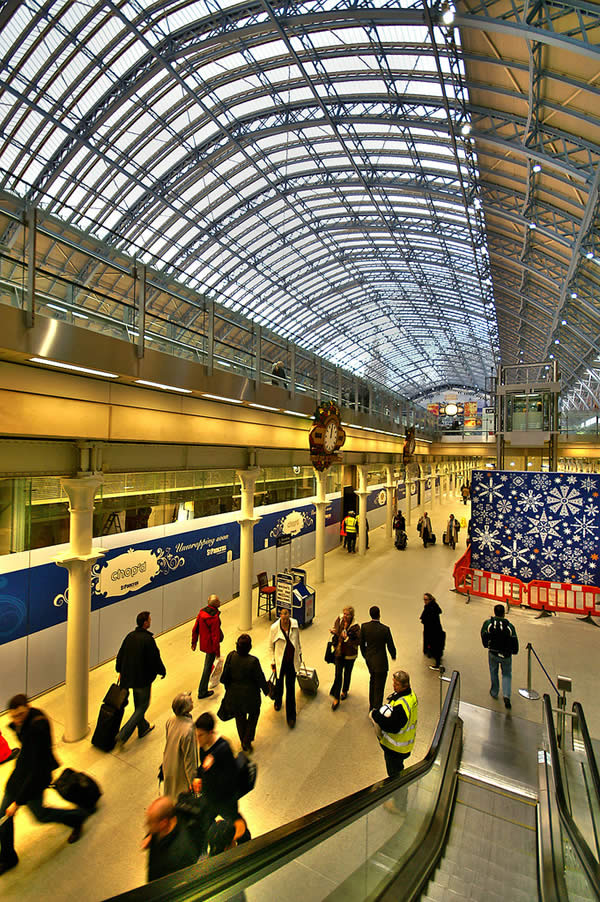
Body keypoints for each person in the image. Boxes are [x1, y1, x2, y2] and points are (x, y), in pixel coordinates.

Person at [0, 694, 90, 874]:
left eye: (19, 715)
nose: (16, 720)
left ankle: (77, 817)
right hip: (20, 776)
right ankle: (9, 857)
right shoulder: (26, 722)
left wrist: (18, 802)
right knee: (3, 817)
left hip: (34, 780)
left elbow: (36, 770)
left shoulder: (37, 728)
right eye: (13, 716)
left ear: (28, 708)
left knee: (40, 815)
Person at [370, 671, 418, 814]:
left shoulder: (402, 706)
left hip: (396, 748)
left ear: (405, 685)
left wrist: (376, 715)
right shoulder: (410, 696)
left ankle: (400, 806)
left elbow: (392, 726)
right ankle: (399, 800)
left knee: (395, 776)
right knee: (397, 772)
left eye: (396, 684)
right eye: (394, 682)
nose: (393, 686)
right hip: (404, 745)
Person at [115, 610, 166, 746]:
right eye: (149, 620)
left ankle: (143, 728)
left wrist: (119, 669)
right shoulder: (148, 639)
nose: (150, 621)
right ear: (145, 623)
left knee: (138, 704)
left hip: (129, 677)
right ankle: (123, 734)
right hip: (142, 679)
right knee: (143, 706)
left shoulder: (129, 636)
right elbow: (155, 658)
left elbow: (120, 655)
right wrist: (162, 671)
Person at [220, 633, 268, 752]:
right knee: (254, 715)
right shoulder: (253, 661)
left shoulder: (231, 656)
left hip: (234, 696)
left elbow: (225, 675)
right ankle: (247, 740)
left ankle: (244, 741)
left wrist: (228, 689)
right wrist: (267, 691)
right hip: (251, 697)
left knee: (240, 718)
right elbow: (260, 678)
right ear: (249, 647)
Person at [194, 712, 239, 822]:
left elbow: (230, 777)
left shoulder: (223, 748)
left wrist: (208, 771)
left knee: (235, 824)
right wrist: (198, 776)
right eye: (196, 735)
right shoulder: (203, 746)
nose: (197, 739)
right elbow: (203, 766)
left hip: (225, 799)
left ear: (210, 733)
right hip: (210, 797)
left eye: (200, 735)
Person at [143, 796, 197, 882]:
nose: (147, 825)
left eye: (150, 822)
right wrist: (149, 835)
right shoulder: (164, 825)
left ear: (163, 823)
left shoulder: (180, 854)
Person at [268, 606, 302, 728]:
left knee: (291, 689)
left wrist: (299, 654)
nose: (285, 619)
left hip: (291, 663)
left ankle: (291, 717)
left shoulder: (295, 625)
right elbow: (270, 647)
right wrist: (272, 662)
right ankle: (278, 701)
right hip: (279, 663)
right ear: (280, 616)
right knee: (279, 684)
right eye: (283, 616)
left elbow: (297, 641)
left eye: (287, 616)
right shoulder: (274, 629)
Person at [481, 604, 519, 709]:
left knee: (493, 671)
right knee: (506, 674)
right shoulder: (509, 627)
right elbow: (514, 640)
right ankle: (506, 695)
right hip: (506, 655)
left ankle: (494, 691)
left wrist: (486, 645)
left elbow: (483, 634)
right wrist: (514, 651)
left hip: (493, 652)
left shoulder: (488, 624)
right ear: (504, 613)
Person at [360, 607, 397, 711]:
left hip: (370, 660)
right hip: (381, 662)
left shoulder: (364, 627)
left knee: (372, 681)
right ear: (379, 614)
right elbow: (390, 645)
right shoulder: (385, 629)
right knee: (380, 686)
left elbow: (361, 644)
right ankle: (377, 707)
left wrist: (365, 656)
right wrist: (393, 655)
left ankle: (371, 705)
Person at [162, 693, 197, 802]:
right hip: (180, 769)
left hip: (168, 763)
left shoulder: (171, 720)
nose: (193, 701)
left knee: (170, 794)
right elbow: (189, 759)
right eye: (191, 701)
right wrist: (193, 781)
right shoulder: (188, 730)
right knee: (181, 799)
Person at [191, 594, 223, 700]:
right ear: (215, 604)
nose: (220, 601)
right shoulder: (214, 618)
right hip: (211, 646)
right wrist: (217, 651)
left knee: (207, 665)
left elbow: (195, 628)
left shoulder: (202, 612)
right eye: (218, 600)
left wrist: (194, 642)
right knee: (207, 667)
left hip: (204, 643)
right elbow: (215, 635)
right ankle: (202, 691)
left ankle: (203, 689)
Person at [329, 606, 361, 710]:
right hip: (339, 652)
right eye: (344, 614)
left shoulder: (356, 627)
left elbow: (358, 642)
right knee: (338, 674)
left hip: (350, 654)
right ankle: (336, 697)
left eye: (347, 614)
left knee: (347, 673)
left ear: (352, 615)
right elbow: (336, 627)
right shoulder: (339, 619)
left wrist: (347, 638)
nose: (345, 616)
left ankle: (345, 690)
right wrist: (335, 632)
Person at [420, 593, 445, 670]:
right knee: (435, 645)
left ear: (430, 599)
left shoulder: (430, 608)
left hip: (432, 631)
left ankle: (437, 664)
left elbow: (426, 618)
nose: (425, 601)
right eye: (424, 599)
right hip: (434, 629)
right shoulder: (433, 606)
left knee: (434, 644)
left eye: (426, 599)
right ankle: (432, 653)